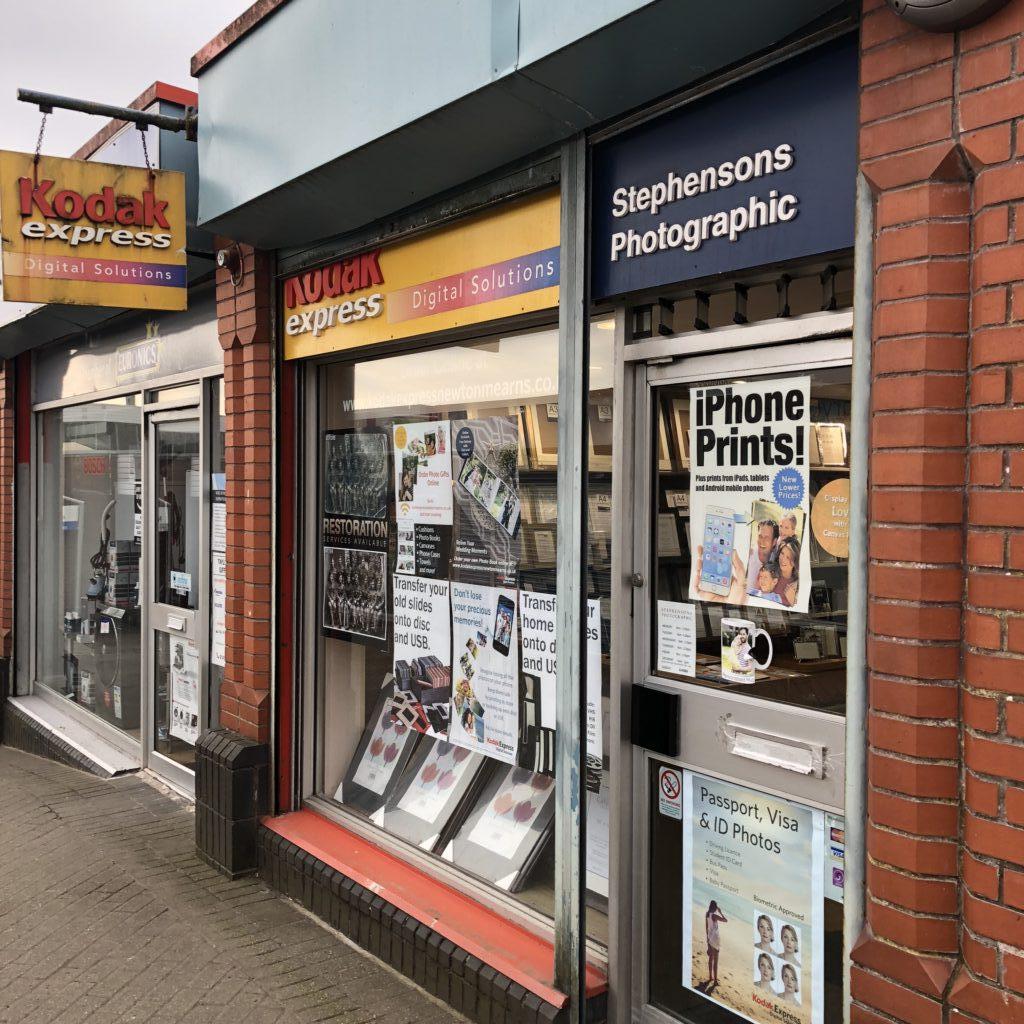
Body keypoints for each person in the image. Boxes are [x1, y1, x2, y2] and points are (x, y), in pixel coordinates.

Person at [746, 520, 780, 592]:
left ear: (774, 542)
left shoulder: (777, 557)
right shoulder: (748, 557)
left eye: (767, 538)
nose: (762, 541)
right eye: (760, 536)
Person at [705, 901, 728, 988]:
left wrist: (707, 941)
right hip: (716, 939)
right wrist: (720, 912)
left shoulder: (707, 914)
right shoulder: (714, 915)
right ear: (715, 907)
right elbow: (725, 920)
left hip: (710, 938)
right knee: (716, 961)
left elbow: (706, 928)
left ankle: (710, 977)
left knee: (711, 959)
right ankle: (715, 981)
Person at [774, 537, 800, 607]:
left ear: (795, 561)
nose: (783, 559)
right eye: (782, 553)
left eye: (788, 557)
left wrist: (792, 601)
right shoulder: (770, 573)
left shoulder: (798, 585)